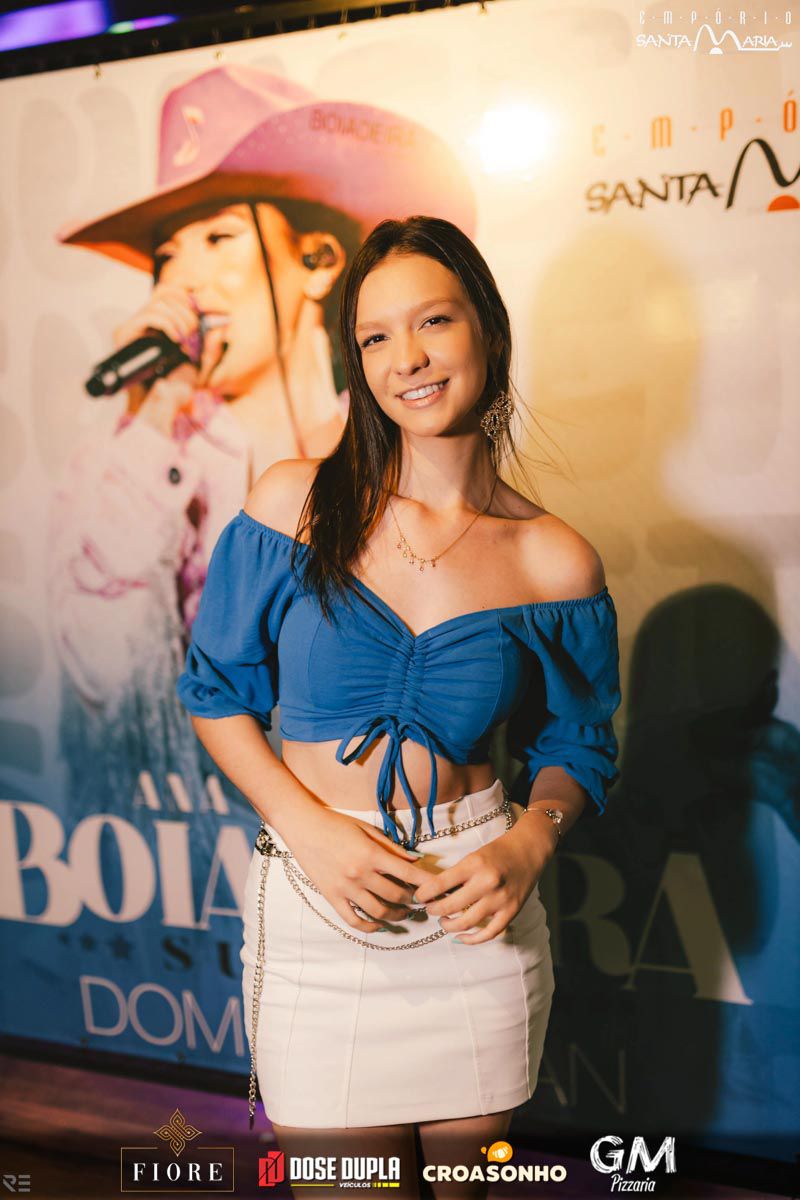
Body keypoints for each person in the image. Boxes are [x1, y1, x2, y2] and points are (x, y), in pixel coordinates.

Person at [176, 214, 621, 1199]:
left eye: (433, 322)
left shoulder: (554, 558)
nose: (406, 359)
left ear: (486, 329)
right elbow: (214, 693)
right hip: (317, 907)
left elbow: (580, 743)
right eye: (374, 336)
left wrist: (528, 843)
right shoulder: (293, 503)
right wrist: (307, 830)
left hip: (474, 919)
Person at [48, 63, 475, 911]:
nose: (182, 279)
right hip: (189, 872)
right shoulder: (135, 466)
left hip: (402, 867)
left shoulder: (412, 452)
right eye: (167, 254)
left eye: (216, 240)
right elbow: (102, 685)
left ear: (316, 261)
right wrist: (155, 414)